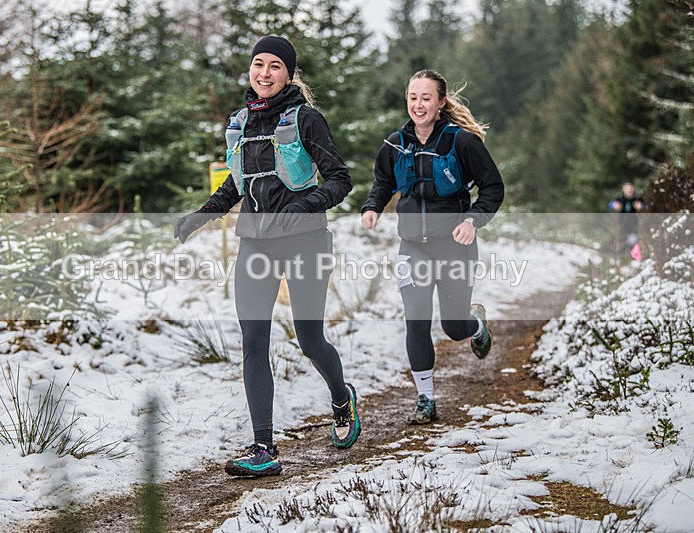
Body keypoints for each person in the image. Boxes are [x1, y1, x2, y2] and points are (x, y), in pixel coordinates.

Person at [174, 36, 360, 478]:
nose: (265, 73)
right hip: (255, 244)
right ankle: (264, 447)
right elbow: (236, 186)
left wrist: (305, 205)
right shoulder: (239, 122)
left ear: (289, 74)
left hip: (306, 241)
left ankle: (341, 398)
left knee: (310, 338)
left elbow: (341, 179)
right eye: (259, 64)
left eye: (276, 66)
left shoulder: (306, 119)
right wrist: (201, 216)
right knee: (253, 342)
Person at [360, 69, 504, 424]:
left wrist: (472, 221)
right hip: (413, 247)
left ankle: (476, 325)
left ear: (441, 102)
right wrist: (372, 207)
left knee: (453, 327)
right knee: (417, 321)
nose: (418, 105)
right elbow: (382, 181)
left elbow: (493, 189)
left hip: (454, 247)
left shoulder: (462, 142)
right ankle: (425, 400)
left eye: (426, 98)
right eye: (413, 97)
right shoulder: (396, 143)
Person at [609, 180, 646, 259]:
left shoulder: (638, 198)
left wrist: (641, 206)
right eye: (626, 187)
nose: (629, 189)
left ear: (633, 188)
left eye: (630, 187)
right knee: (622, 239)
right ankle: (622, 258)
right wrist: (614, 205)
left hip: (634, 222)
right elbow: (611, 204)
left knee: (634, 239)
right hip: (622, 222)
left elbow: (646, 205)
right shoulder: (620, 198)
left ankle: (635, 257)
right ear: (623, 188)